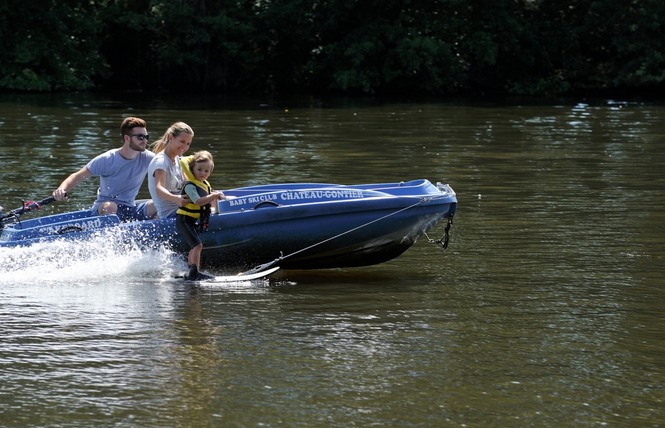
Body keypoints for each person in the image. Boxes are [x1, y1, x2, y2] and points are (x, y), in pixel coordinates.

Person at [52, 116, 156, 221]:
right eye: (140, 137)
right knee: (111, 207)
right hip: (105, 208)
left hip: (131, 208)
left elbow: (167, 169)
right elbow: (77, 176)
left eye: (146, 136)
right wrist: (62, 189)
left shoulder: (149, 158)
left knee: (160, 204)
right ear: (127, 138)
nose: (145, 141)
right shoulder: (107, 159)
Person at [176, 151, 225, 281]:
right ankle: (195, 272)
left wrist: (216, 195)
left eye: (206, 171)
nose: (202, 173)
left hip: (192, 220)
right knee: (197, 246)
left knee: (194, 246)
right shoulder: (190, 186)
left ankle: (191, 270)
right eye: (199, 170)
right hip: (184, 219)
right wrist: (213, 196)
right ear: (192, 170)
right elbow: (198, 201)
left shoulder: (204, 184)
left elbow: (207, 198)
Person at [147, 121, 194, 219]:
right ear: (171, 137)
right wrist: (176, 199)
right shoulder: (161, 161)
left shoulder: (178, 159)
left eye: (188, 143)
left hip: (182, 210)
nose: (185, 147)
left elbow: (188, 185)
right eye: (182, 141)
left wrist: (209, 193)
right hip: (169, 215)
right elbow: (159, 189)